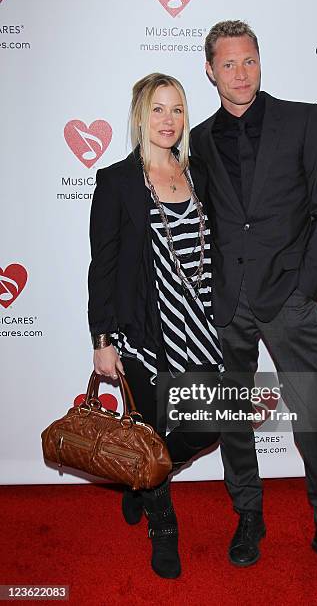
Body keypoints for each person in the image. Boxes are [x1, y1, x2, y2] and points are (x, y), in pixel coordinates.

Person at [190, 20, 317, 582]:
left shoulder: (303, 119)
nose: (240, 73)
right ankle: (249, 517)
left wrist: (306, 289)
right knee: (232, 419)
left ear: (260, 62)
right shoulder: (198, 139)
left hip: (289, 298)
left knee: (314, 418)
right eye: (228, 64)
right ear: (210, 70)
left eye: (248, 61)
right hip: (227, 304)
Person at [87, 73, 223, 579]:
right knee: (151, 428)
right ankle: (163, 528)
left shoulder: (199, 174)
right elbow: (101, 266)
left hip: (200, 328)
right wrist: (102, 340)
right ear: (141, 116)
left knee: (208, 425)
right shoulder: (117, 182)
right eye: (159, 110)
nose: (169, 121)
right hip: (145, 333)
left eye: (178, 110)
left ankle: (137, 478)